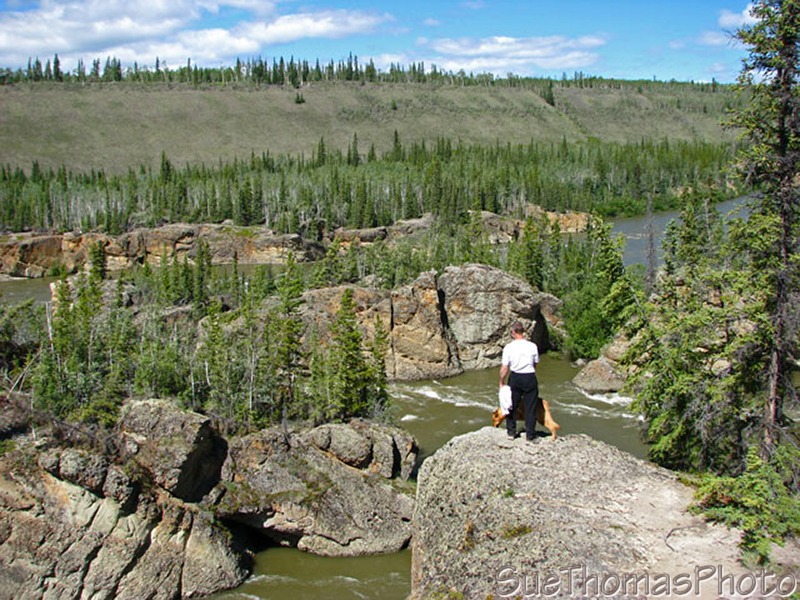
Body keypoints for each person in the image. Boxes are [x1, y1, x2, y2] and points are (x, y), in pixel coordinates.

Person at [499, 321, 540, 440]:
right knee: (530, 407)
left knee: (511, 405)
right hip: (529, 376)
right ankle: (530, 435)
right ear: (523, 331)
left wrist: (501, 381)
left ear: (513, 332)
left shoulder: (509, 347)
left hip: (515, 377)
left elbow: (505, 367)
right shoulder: (532, 346)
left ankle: (511, 432)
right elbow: (535, 363)